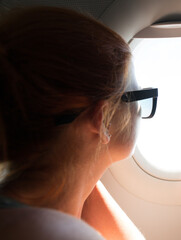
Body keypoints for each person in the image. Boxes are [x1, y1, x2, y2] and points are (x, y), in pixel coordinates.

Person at [0, 6, 157, 240]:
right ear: (102, 119)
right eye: (136, 98)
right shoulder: (60, 233)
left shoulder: (19, 210)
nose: (138, 111)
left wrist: (85, 163)